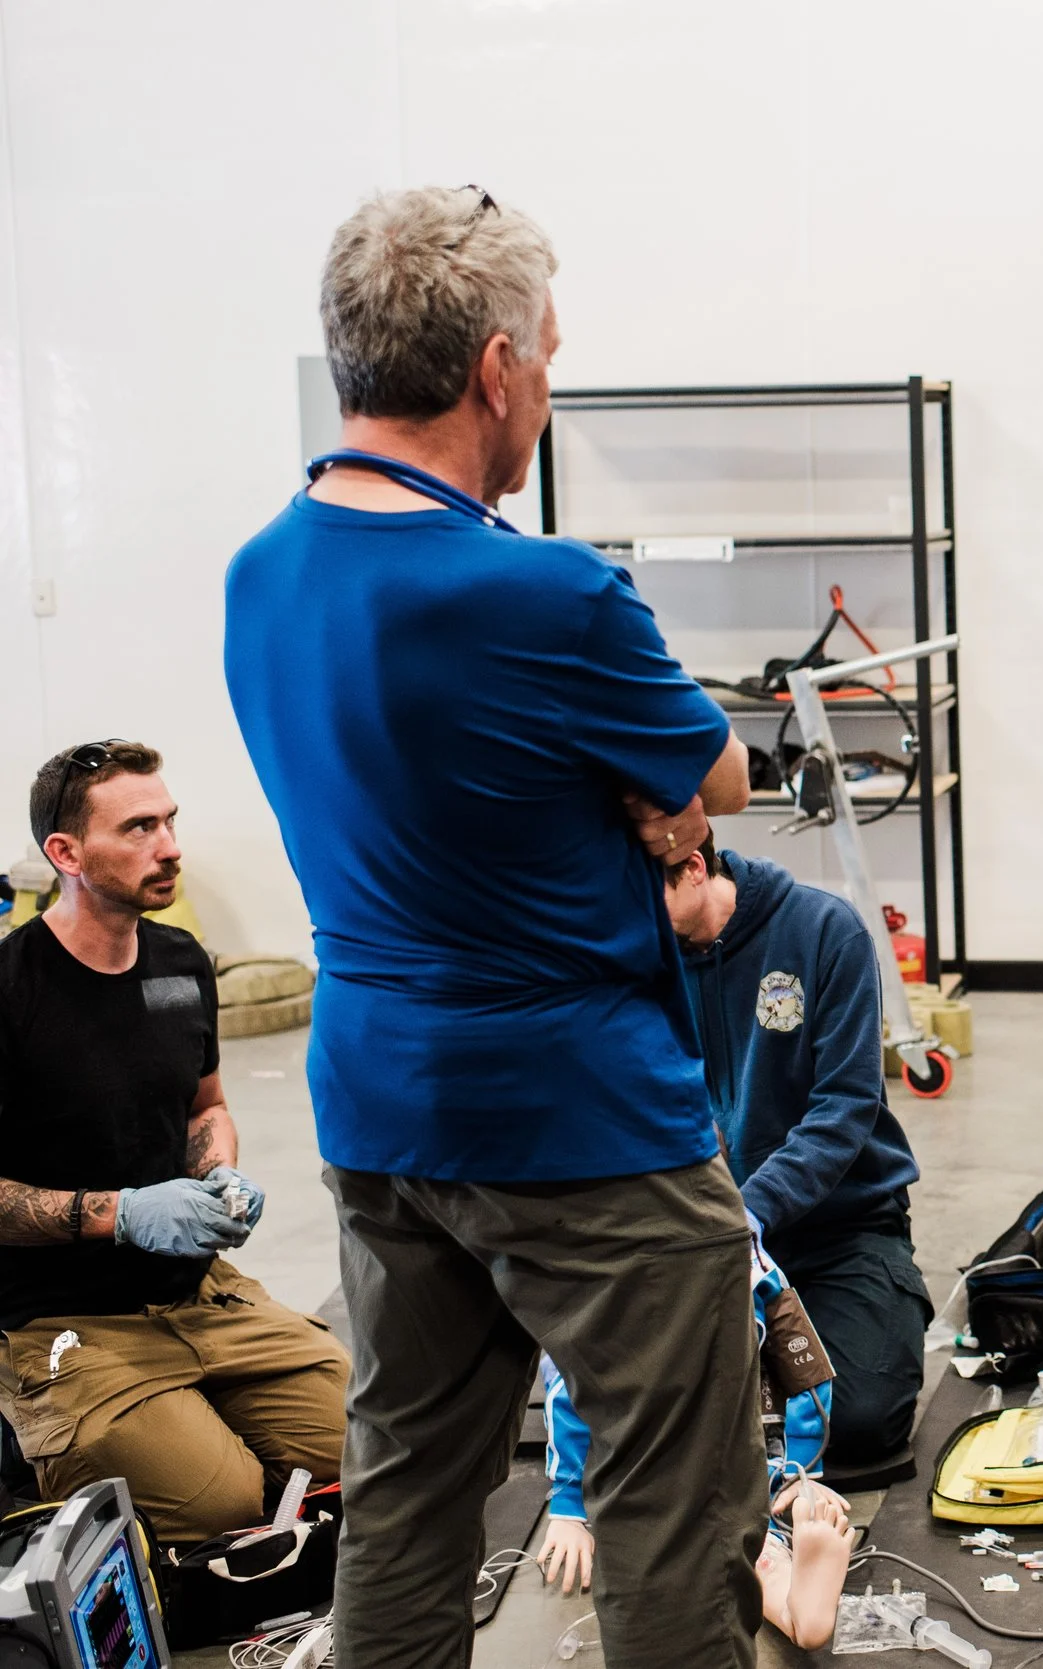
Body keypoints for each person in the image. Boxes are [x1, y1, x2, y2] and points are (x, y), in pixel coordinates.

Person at [223, 187, 765, 1669]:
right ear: (496, 367)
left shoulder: (262, 570)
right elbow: (715, 776)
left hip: (379, 1100)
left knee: (408, 1482)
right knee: (675, 1503)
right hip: (575, 1113)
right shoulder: (547, 591)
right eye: (552, 358)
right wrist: (650, 809)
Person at [0, 742, 347, 1541]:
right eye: (139, 827)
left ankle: (191, 1416)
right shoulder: (11, 991)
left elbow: (207, 1106)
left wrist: (218, 1172)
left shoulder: (183, 962)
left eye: (169, 820)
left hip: (200, 1292)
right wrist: (119, 1214)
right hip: (66, 1318)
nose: (170, 846)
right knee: (223, 1505)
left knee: (363, 1444)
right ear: (67, 853)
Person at [662, 838, 932, 1480]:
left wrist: (749, 1211)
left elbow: (844, 1106)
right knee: (627, 1411)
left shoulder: (823, 931)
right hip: (703, 1236)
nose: (622, 919)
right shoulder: (640, 955)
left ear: (693, 869)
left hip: (841, 1227)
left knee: (861, 1419)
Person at [538, 1228, 857, 1651]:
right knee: (741, 1542)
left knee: (679, 1540)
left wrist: (802, 1472)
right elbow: (571, 1396)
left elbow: (803, 1368)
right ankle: (785, 1593)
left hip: (694, 1441)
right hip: (682, 1437)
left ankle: (797, 1600)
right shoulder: (607, 1272)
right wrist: (568, 1507)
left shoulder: (746, 1264)